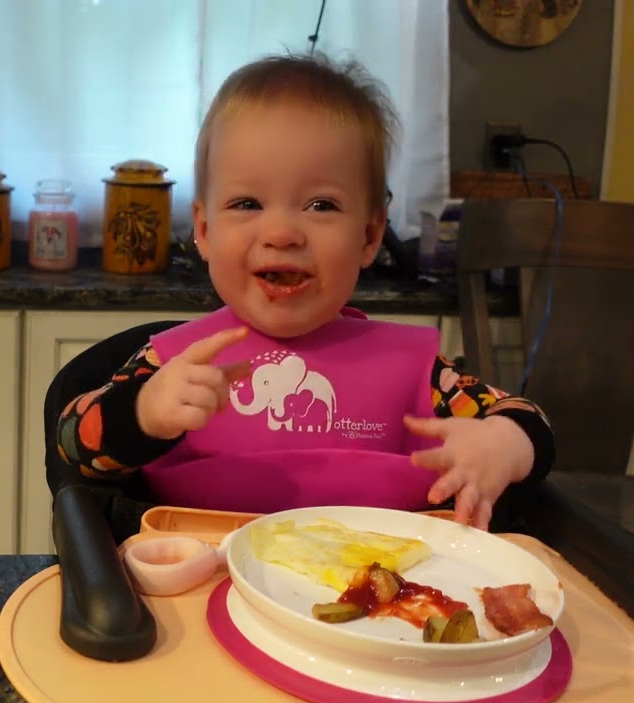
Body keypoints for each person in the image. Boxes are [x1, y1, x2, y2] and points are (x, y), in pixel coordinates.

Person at [56, 53, 552, 531]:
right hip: (199, 584)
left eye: (321, 205)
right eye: (247, 203)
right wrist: (142, 413)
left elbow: (528, 419)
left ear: (369, 236)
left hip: (375, 586)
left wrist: (502, 442)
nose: (282, 233)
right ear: (204, 231)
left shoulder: (419, 375)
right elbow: (73, 442)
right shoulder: (171, 364)